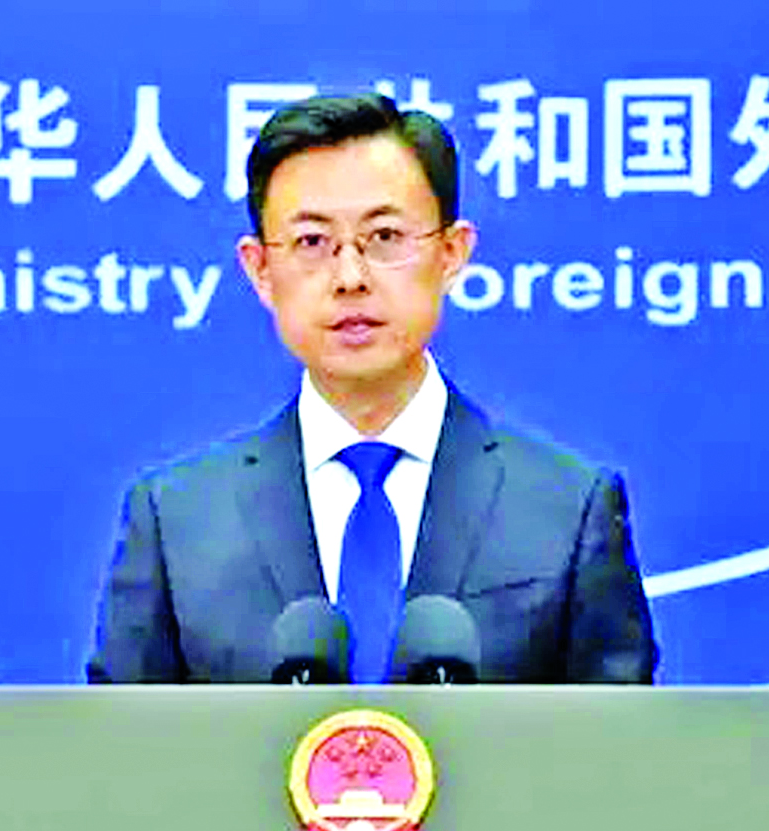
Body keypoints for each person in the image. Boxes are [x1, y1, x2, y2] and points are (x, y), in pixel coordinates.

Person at [85, 93, 657, 683]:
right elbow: (113, 737)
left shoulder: (568, 510)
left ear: (452, 253)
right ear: (260, 270)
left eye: (385, 236)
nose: (350, 277)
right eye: (312, 242)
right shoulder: (177, 521)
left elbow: (623, 738)